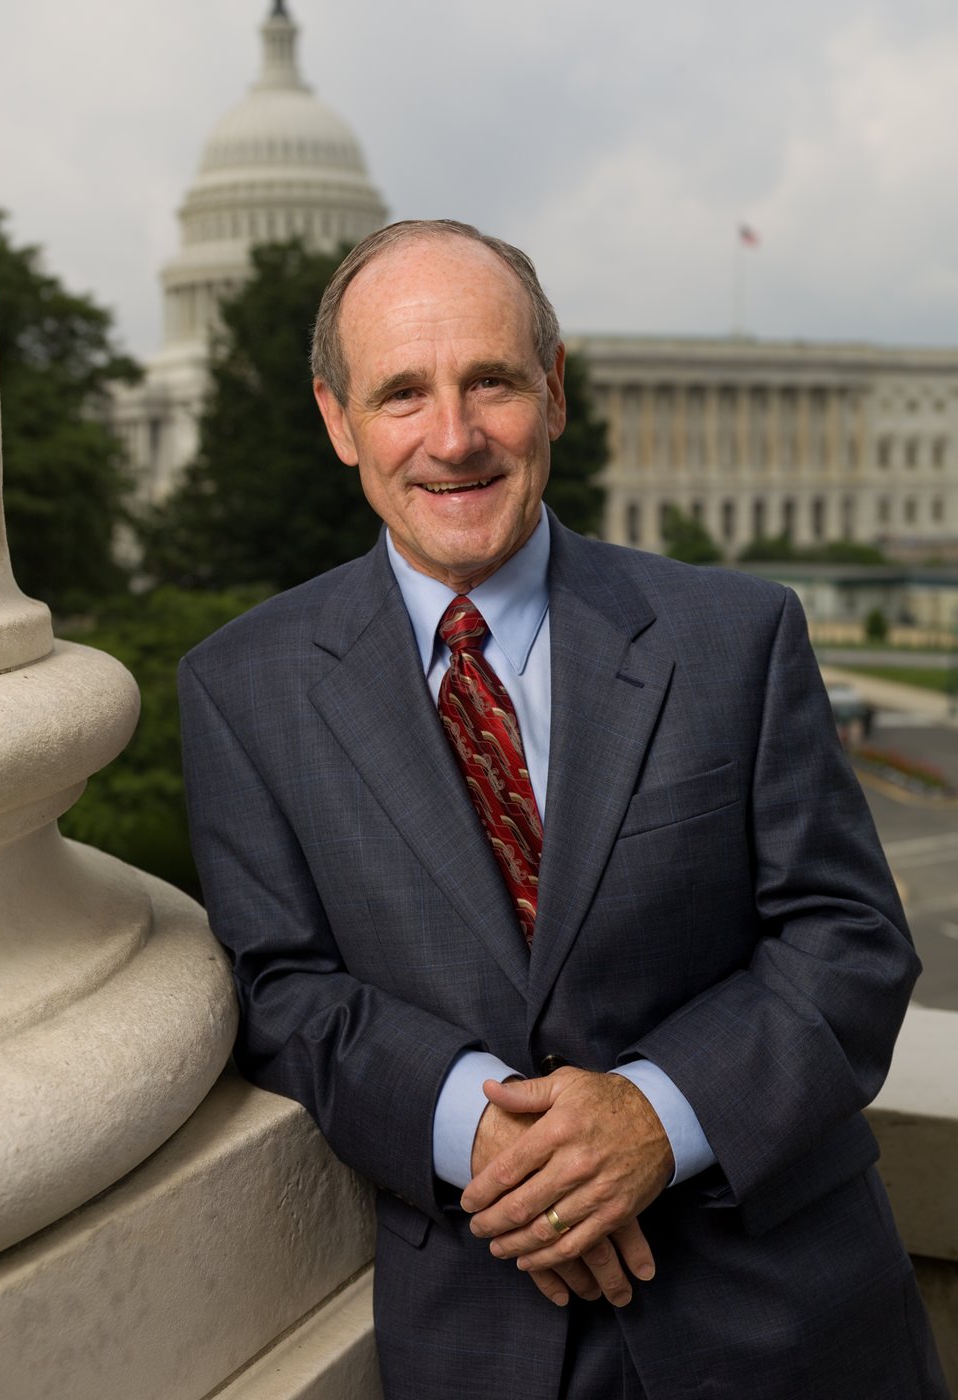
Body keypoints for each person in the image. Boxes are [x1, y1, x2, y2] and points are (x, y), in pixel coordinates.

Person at [178, 220, 947, 1399]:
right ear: (338, 420)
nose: (453, 437)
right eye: (402, 393)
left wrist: (656, 1115)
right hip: (488, 1330)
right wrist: (479, 1130)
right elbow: (282, 989)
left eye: (491, 380)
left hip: (789, 1320)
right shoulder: (243, 687)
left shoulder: (735, 635)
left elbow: (850, 941)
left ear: (556, 389)